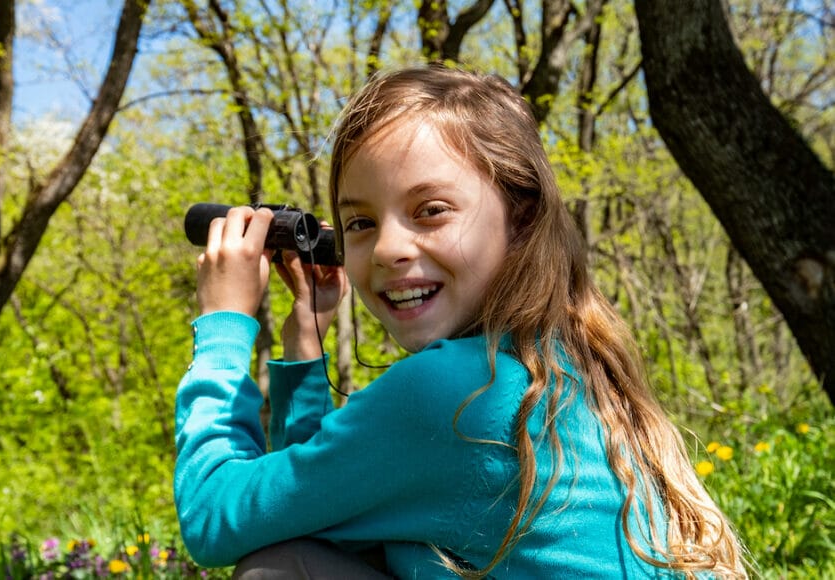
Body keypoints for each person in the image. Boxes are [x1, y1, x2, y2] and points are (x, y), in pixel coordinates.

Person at [173, 65, 746, 578]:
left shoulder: (456, 393)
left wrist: (224, 324)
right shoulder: (551, 363)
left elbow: (212, 518)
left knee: (275, 571)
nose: (390, 248)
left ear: (519, 220)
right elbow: (314, 508)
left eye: (431, 210)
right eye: (361, 223)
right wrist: (306, 335)